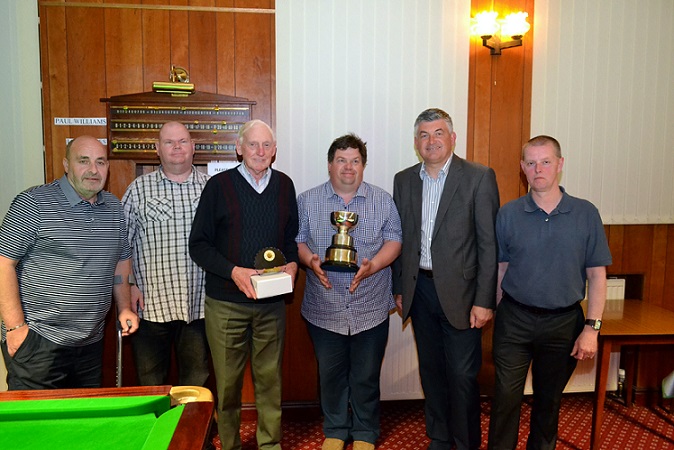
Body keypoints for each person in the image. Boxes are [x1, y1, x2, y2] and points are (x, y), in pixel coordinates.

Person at [487, 135, 612, 450]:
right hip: (514, 320)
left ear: (560, 164)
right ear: (522, 168)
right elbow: (500, 270)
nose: (538, 169)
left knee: (548, 404)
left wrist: (591, 329)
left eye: (545, 161)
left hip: (563, 324)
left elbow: (597, 276)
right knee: (504, 400)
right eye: (531, 162)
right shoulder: (508, 213)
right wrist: (499, 314)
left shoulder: (586, 214)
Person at [392, 108, 500, 450]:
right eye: (424, 135)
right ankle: (439, 438)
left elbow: (488, 244)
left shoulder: (479, 177)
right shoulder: (404, 179)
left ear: (452, 138)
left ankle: (465, 442)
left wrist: (485, 300)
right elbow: (400, 237)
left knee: (462, 377)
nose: (431, 141)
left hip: (464, 296)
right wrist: (399, 288)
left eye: (438, 133)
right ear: (415, 143)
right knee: (432, 372)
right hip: (419, 290)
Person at [189, 119, 299, 450]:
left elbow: (291, 240)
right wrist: (233, 271)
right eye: (253, 144)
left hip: (271, 305)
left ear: (275, 151)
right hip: (225, 304)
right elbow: (199, 245)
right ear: (239, 148)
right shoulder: (218, 186)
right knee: (227, 386)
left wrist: (293, 264)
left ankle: (270, 444)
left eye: (267, 145)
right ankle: (231, 445)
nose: (260, 151)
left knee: (270, 382)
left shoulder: (284, 185)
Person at [0, 135, 139, 390]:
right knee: (38, 426)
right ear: (66, 165)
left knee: (83, 425)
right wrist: (16, 328)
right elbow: (3, 263)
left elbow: (121, 262)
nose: (93, 170)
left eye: (100, 162)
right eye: (83, 161)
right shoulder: (34, 203)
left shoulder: (114, 208)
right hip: (39, 341)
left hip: (90, 344)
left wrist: (125, 309)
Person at [296, 134, 403, 450]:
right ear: (330, 165)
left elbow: (395, 240)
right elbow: (299, 240)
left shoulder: (383, 200)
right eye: (341, 160)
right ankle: (336, 430)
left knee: (366, 377)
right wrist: (310, 261)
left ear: (363, 166)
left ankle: (365, 434)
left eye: (355, 161)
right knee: (330, 376)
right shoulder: (307, 200)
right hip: (323, 307)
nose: (348, 167)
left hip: (370, 307)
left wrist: (374, 266)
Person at [122, 121, 210, 386]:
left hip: (200, 304)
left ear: (193, 147)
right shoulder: (138, 189)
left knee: (196, 383)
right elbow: (122, 245)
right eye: (169, 142)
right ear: (157, 149)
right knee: (151, 383)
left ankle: (192, 428)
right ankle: (156, 428)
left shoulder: (212, 188)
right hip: (150, 305)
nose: (177, 147)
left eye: (183, 141)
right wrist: (130, 286)